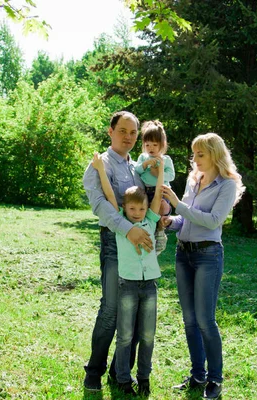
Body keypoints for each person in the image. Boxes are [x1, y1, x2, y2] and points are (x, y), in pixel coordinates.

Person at [160, 133, 245, 399]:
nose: (194, 159)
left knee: (206, 320)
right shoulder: (193, 179)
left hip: (208, 255)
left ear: (215, 155)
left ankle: (215, 380)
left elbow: (212, 221)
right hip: (183, 254)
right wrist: (170, 222)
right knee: (189, 320)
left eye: (200, 154)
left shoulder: (227, 185)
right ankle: (198, 375)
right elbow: (187, 220)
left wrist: (177, 204)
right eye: (194, 154)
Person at [82, 111, 154, 392]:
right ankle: (94, 372)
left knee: (135, 314)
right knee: (111, 311)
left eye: (133, 133)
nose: (128, 137)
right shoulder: (98, 165)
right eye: (122, 131)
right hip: (114, 243)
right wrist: (128, 229)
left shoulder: (137, 167)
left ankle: (119, 372)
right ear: (110, 131)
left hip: (139, 249)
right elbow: (100, 205)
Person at [91, 152, 164, 396]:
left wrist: (160, 170)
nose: (136, 212)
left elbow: (157, 198)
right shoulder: (122, 225)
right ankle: (122, 379)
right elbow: (110, 196)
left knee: (147, 335)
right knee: (125, 335)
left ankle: (143, 377)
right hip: (128, 285)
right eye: (131, 208)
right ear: (125, 208)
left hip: (150, 286)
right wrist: (101, 169)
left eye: (140, 208)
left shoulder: (151, 220)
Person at [134, 120, 175, 255]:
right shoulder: (143, 157)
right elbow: (137, 170)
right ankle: (147, 237)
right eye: (147, 145)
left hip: (162, 192)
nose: (150, 148)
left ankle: (161, 235)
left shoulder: (166, 159)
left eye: (154, 144)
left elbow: (171, 176)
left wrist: (159, 172)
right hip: (146, 192)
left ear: (162, 145)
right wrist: (145, 165)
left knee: (160, 211)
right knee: (147, 216)